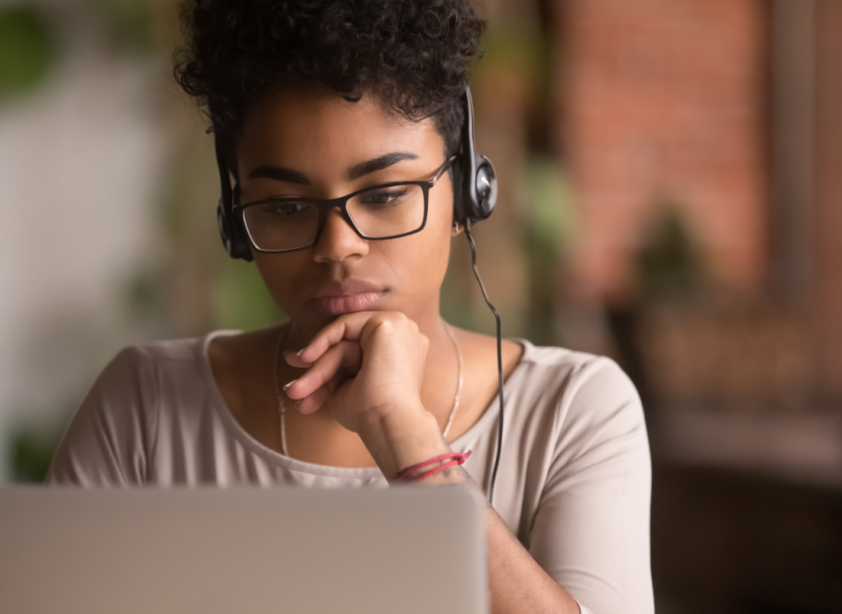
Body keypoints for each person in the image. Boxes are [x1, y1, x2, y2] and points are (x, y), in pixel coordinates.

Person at [46, 1, 654, 612]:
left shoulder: (575, 412)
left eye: (386, 194)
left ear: (467, 192)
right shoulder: (144, 408)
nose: (337, 248)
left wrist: (405, 436)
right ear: (236, 224)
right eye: (284, 207)